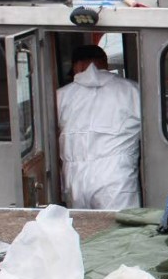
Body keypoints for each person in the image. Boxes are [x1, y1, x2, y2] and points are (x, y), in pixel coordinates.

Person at [57, 44, 141, 209]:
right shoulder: (133, 90)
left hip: (74, 178)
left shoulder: (60, 96)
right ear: (105, 63)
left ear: (78, 66)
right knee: (122, 231)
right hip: (116, 177)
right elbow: (158, 133)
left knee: (83, 231)